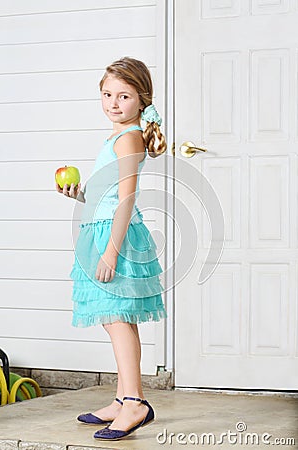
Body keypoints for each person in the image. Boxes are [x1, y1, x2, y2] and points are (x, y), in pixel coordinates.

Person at [55, 56, 167, 441]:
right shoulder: (116, 137)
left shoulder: (130, 137)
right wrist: (79, 193)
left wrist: (111, 251)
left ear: (141, 100)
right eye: (107, 94)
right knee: (113, 316)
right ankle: (122, 398)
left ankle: (135, 401)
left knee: (118, 318)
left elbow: (126, 199)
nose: (113, 103)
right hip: (100, 230)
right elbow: (105, 195)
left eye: (124, 96)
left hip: (113, 237)